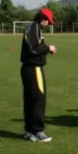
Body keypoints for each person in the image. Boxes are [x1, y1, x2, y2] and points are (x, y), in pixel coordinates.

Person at [20, 8, 56, 142]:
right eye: (48, 21)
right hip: (34, 68)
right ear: (43, 19)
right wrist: (49, 48)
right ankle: (38, 131)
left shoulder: (33, 27)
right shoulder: (34, 27)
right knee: (38, 99)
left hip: (28, 68)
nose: (49, 24)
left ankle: (29, 131)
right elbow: (34, 48)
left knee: (30, 100)